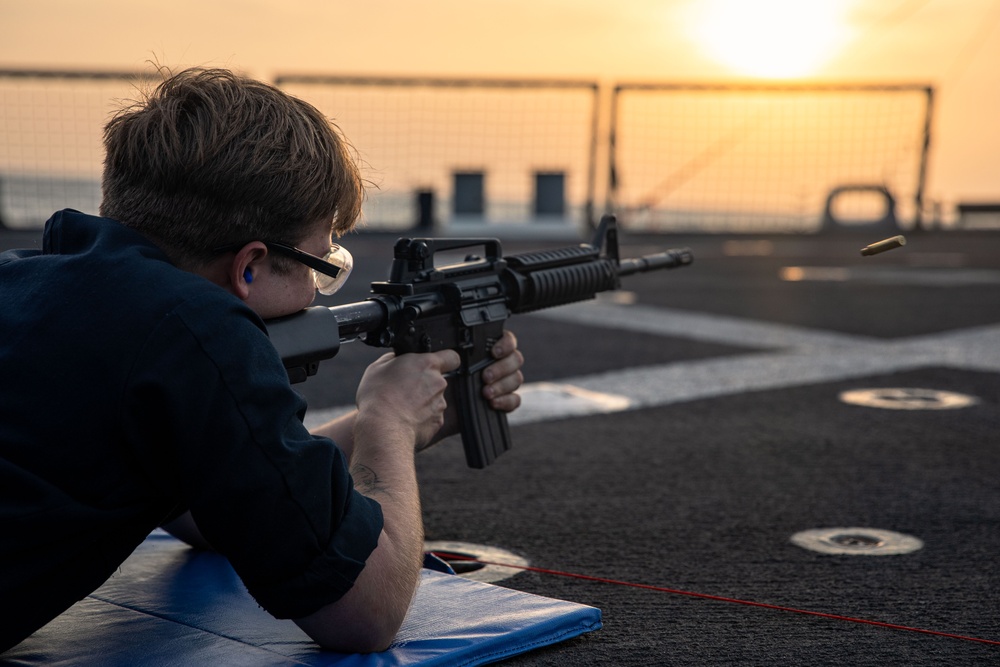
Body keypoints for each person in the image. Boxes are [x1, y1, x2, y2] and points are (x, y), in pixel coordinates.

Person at [0, 67, 524, 654]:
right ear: (249, 266)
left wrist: (404, 413)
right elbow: (363, 612)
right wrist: (390, 427)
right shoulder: (196, 329)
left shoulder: (27, 281)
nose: (320, 290)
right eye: (325, 267)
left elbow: (210, 502)